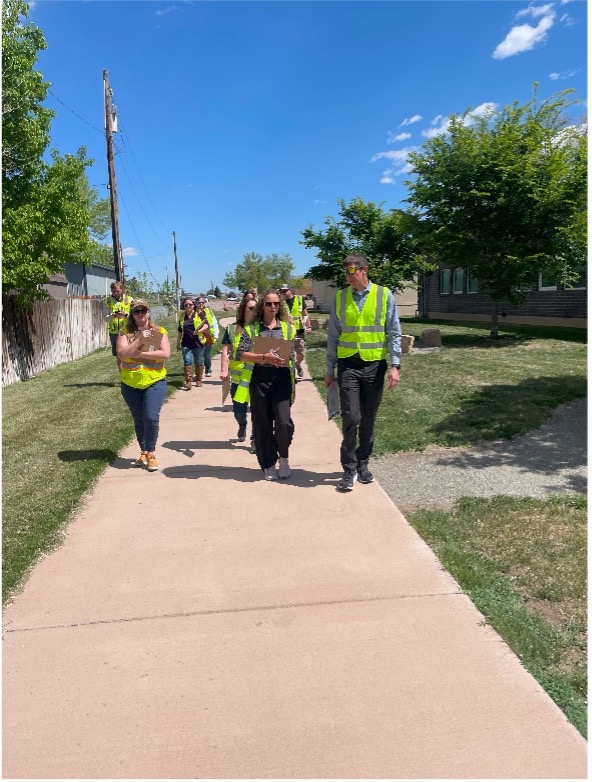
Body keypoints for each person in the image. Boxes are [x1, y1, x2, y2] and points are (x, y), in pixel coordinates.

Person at [324, 253, 402, 492]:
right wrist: (329, 370)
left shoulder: (384, 295)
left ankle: (363, 464)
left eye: (351, 270)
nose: (347, 276)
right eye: (345, 271)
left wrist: (395, 365)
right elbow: (333, 336)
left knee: (368, 418)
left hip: (374, 365)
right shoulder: (340, 297)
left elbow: (394, 332)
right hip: (348, 365)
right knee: (351, 417)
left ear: (364, 269)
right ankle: (348, 469)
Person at [234, 290, 296, 481]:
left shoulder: (287, 328)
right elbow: (240, 354)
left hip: (282, 379)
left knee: (284, 422)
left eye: (276, 304)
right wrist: (263, 357)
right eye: (269, 304)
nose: (272, 307)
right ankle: (268, 463)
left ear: (280, 306)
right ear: (262, 306)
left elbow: (294, 352)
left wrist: (295, 354)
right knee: (262, 425)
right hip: (260, 378)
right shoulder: (252, 329)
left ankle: (283, 458)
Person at [116, 299, 171, 472]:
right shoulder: (124, 332)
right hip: (130, 383)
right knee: (139, 419)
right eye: (136, 311)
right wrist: (139, 339)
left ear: (148, 312)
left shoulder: (159, 331)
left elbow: (165, 354)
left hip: (154, 381)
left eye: (143, 310)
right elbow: (122, 354)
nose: (140, 314)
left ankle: (151, 452)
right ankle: (144, 450)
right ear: (132, 315)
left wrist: (142, 353)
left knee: (151, 417)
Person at [220, 296, 257, 446]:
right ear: (243, 310)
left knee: (258, 410)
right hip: (238, 379)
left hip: (256, 377)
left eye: (256, 308)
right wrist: (223, 369)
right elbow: (224, 351)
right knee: (239, 411)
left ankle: (255, 438)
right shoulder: (232, 329)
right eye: (250, 308)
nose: (253, 311)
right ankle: (242, 425)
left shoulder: (261, 329)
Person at [279, 283, 311, 380]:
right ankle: (290, 375)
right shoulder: (280, 302)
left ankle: (298, 364)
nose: (284, 293)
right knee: (287, 354)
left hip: (299, 330)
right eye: (282, 291)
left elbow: (305, 314)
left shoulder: (299, 299)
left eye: (285, 290)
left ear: (290, 290)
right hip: (286, 331)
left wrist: (308, 326)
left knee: (300, 354)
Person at [176, 297, 209, 389]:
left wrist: (199, 331)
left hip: (198, 343)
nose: (188, 306)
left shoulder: (200, 313)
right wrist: (178, 343)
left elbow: (206, 325)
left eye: (190, 304)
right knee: (187, 361)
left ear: (193, 305)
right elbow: (180, 330)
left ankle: (198, 379)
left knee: (199, 362)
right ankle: (188, 381)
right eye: (186, 305)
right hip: (186, 344)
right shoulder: (182, 316)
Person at [104, 281, 133, 370]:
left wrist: (125, 314)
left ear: (122, 289)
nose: (115, 293)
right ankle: (122, 375)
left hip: (128, 330)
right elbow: (105, 318)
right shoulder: (107, 301)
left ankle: (131, 372)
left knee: (130, 352)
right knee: (119, 355)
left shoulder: (129, 299)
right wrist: (112, 315)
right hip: (114, 332)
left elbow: (134, 316)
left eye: (118, 291)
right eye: (113, 292)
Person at [194, 296, 219, 378]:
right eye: (199, 302)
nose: (201, 304)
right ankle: (198, 371)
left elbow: (214, 322)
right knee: (199, 355)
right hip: (198, 336)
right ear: (196, 303)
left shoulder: (208, 311)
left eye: (203, 302)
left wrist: (216, 333)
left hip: (208, 335)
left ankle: (208, 369)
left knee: (207, 354)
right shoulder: (194, 312)